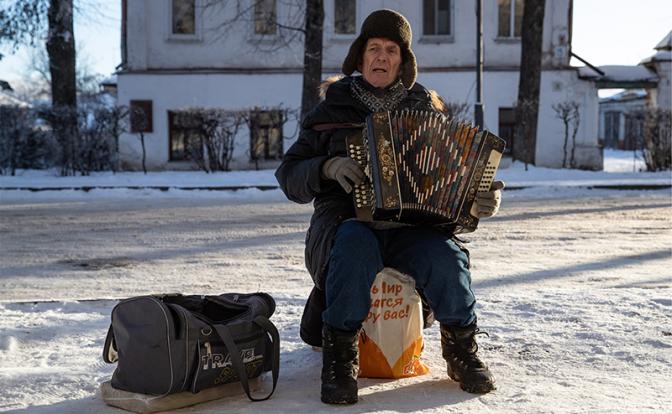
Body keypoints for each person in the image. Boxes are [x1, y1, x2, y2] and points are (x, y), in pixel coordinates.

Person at [275, 9, 504, 405]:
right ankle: (340, 360)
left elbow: (448, 181)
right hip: (347, 221)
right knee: (353, 247)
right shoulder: (332, 108)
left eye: (392, 50)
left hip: (411, 226)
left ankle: (462, 352)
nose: (382, 57)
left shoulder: (425, 108)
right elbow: (289, 175)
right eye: (374, 48)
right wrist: (326, 166)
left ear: (403, 61)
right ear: (360, 57)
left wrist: (481, 199)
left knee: (446, 257)